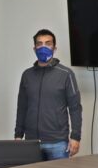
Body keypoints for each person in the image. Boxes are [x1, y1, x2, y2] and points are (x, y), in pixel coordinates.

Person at [14, 29, 82, 160]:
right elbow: (22, 107)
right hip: (31, 142)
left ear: (54, 48)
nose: (43, 47)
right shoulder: (27, 75)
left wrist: (75, 137)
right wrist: (18, 135)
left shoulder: (66, 74)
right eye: (39, 44)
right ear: (34, 48)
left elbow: (75, 108)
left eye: (48, 43)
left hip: (58, 143)